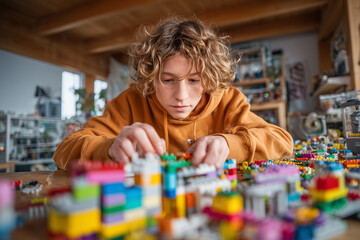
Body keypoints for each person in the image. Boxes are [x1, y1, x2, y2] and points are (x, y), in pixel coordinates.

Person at [54, 17, 293, 170]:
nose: (181, 95)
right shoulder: (130, 101)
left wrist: (229, 144)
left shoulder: (229, 99)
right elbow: (65, 150)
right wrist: (108, 148)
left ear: (209, 78)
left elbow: (283, 142)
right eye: (167, 80)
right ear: (150, 77)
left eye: (194, 80)